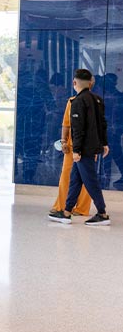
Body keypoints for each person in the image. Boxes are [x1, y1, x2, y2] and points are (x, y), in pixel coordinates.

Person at [49, 69, 111, 226]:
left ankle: (102, 214)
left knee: (90, 181)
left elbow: (77, 128)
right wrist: (104, 143)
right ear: (90, 83)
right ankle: (66, 212)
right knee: (75, 180)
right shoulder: (97, 100)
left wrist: (76, 150)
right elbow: (102, 124)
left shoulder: (76, 101)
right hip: (93, 146)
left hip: (83, 149)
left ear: (74, 83)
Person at [50, 94, 92, 216]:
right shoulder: (72, 101)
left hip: (89, 147)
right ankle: (61, 206)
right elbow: (66, 123)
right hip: (72, 146)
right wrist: (63, 141)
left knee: (87, 178)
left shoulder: (95, 102)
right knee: (66, 175)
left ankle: (82, 209)